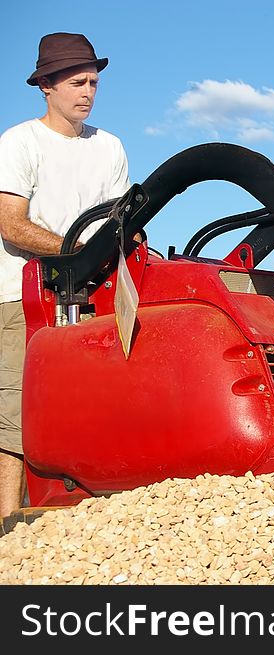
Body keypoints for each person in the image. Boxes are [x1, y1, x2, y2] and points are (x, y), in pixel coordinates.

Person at [0, 33, 130, 518]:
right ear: (46, 86)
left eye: (94, 82)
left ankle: (84, 516)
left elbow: (118, 221)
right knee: (17, 411)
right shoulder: (19, 143)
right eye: (77, 82)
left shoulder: (109, 146)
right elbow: (9, 223)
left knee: (93, 403)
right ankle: (7, 521)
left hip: (94, 296)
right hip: (22, 294)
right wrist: (75, 251)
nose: (88, 92)